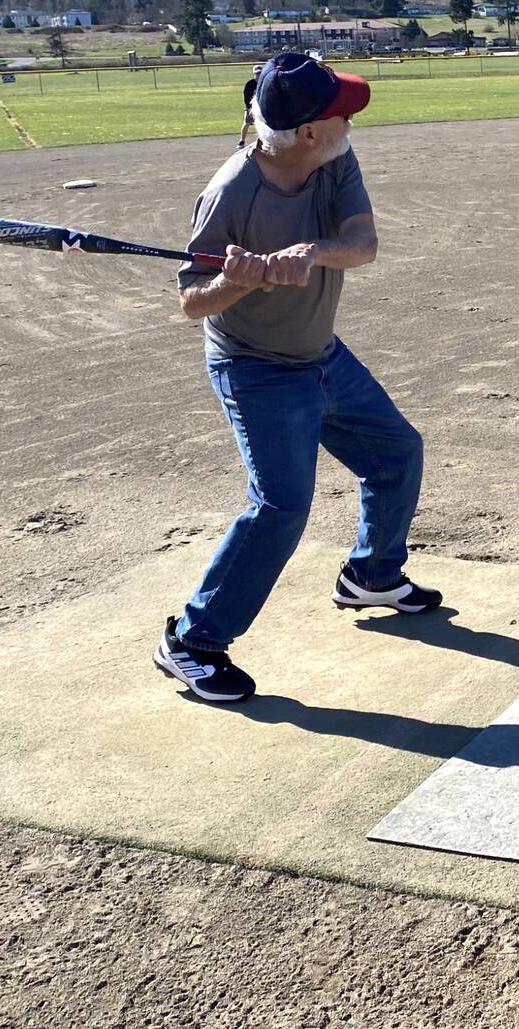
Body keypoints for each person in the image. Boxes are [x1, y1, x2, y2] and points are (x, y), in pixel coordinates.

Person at [155, 51, 438, 704]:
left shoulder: (333, 158)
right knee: (282, 504)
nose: (350, 119)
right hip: (256, 369)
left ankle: (371, 573)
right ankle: (192, 642)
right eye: (339, 109)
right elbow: (191, 301)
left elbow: (363, 244)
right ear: (308, 129)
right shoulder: (231, 193)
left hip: (320, 354)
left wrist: (312, 252)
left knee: (397, 452)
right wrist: (233, 279)